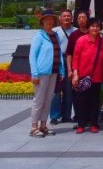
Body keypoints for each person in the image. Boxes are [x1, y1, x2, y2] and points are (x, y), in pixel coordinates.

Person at [29, 9, 66, 137]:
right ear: (42, 21)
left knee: (48, 99)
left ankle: (43, 125)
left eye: (51, 19)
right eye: (47, 19)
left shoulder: (55, 35)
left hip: (53, 72)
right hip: (42, 73)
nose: (49, 21)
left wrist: (61, 70)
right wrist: (34, 74)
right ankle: (34, 127)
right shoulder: (39, 36)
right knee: (39, 100)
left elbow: (59, 53)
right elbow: (32, 56)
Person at [71, 18, 103, 134]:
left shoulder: (102, 42)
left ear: (100, 28)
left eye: (97, 26)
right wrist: (75, 74)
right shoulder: (81, 40)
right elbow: (75, 58)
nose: (95, 28)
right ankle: (81, 124)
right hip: (83, 76)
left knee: (94, 101)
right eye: (92, 26)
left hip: (96, 77)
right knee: (82, 101)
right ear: (88, 27)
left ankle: (94, 123)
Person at [50, 9, 76, 125]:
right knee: (56, 91)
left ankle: (66, 115)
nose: (66, 18)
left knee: (68, 91)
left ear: (72, 18)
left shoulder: (75, 31)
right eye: (64, 16)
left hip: (70, 61)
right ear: (60, 18)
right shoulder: (54, 31)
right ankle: (54, 115)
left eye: (68, 16)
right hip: (57, 62)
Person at [66, 10, 89, 121]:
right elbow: (69, 54)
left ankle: (89, 117)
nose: (81, 20)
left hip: (90, 69)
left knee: (89, 94)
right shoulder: (74, 35)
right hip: (77, 69)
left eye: (83, 17)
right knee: (77, 95)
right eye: (79, 18)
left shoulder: (92, 32)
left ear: (87, 19)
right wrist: (69, 70)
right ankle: (79, 117)